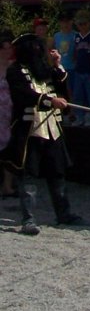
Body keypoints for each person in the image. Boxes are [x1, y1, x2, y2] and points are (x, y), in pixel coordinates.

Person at [6, 33, 84, 235]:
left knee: (57, 172)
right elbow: (24, 95)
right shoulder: (15, 71)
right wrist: (50, 101)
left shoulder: (44, 69)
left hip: (52, 128)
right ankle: (29, 219)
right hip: (30, 130)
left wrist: (58, 65)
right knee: (29, 175)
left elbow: (60, 87)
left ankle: (64, 214)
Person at [71, 9, 90, 126]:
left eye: (85, 23)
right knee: (78, 95)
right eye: (80, 24)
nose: (82, 26)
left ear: (89, 23)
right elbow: (75, 51)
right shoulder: (76, 36)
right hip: (79, 70)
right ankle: (80, 117)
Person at [0, 30, 16, 196]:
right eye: (4, 49)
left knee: (10, 149)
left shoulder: (14, 67)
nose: (7, 52)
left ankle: (8, 185)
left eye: (10, 48)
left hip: (10, 111)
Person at [52, 12, 76, 115]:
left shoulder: (75, 35)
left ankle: (73, 113)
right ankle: (62, 113)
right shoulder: (56, 36)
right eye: (63, 22)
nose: (65, 24)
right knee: (61, 91)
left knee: (73, 92)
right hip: (60, 68)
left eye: (68, 21)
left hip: (73, 68)